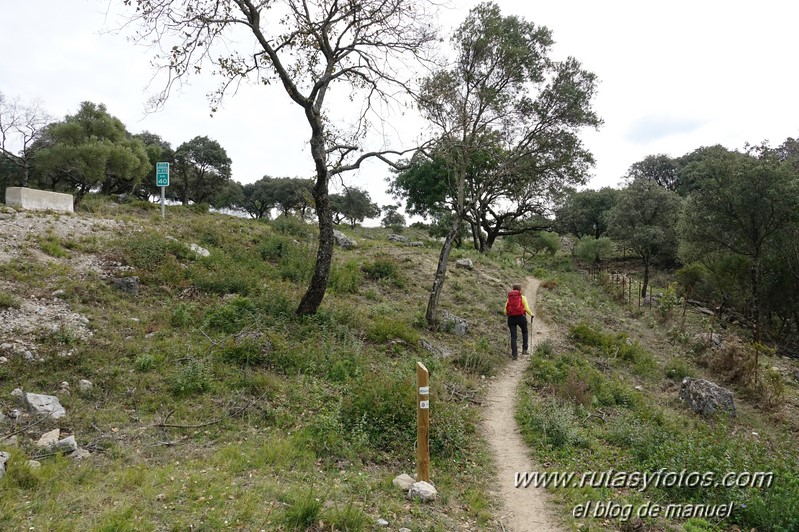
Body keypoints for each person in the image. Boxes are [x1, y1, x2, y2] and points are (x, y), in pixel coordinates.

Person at [504, 283, 534, 360]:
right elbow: (526, 308)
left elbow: (505, 310)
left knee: (513, 336)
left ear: (513, 289)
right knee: (525, 332)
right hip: (521, 317)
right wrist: (531, 314)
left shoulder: (509, 298)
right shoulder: (522, 297)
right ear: (520, 289)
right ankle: (524, 350)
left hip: (511, 318)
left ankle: (514, 355)